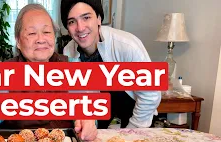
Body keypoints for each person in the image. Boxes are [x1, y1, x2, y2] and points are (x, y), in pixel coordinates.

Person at [0, 4, 98, 142]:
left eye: (47, 32)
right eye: (32, 33)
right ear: (18, 41)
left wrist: (88, 120)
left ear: (54, 37)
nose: (41, 39)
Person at [60, 0, 161, 129]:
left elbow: (150, 95)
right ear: (68, 29)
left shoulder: (127, 45)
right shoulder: (68, 51)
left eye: (86, 17)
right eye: (72, 21)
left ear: (98, 19)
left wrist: (131, 133)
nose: (80, 28)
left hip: (137, 115)